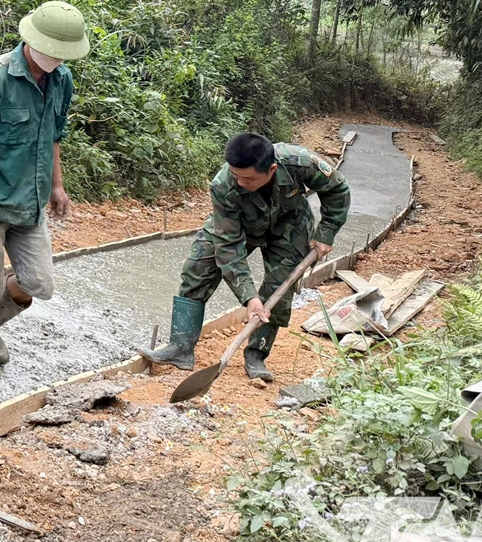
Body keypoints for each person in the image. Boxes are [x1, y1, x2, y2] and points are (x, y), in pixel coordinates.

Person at [0, 1, 89, 394]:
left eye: (62, 57)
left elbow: (54, 136)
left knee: (37, 282)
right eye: (49, 55)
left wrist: (57, 186)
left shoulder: (62, 80)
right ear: (31, 42)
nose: (54, 63)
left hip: (31, 199)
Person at [142, 132, 349, 382]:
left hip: (289, 223)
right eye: (236, 175)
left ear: (271, 169)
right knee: (197, 269)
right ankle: (181, 348)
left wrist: (326, 232)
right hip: (237, 224)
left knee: (279, 290)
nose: (240, 182)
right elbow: (228, 246)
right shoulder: (223, 185)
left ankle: (256, 356)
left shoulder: (300, 162)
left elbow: (337, 189)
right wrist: (248, 297)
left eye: (247, 178)